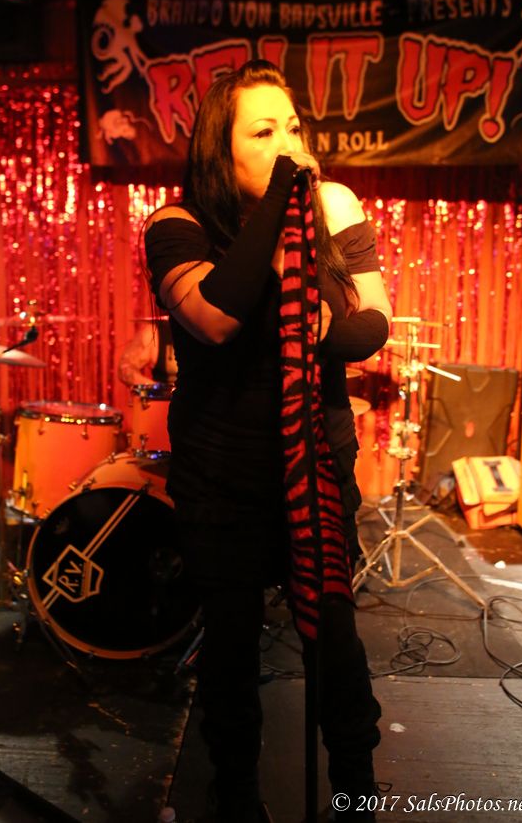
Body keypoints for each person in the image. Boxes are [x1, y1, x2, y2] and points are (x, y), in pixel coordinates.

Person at [143, 61, 392, 823]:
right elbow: (216, 315)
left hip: (316, 459)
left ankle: (356, 795)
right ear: (221, 153)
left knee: (335, 643)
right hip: (223, 474)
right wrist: (284, 200)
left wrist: (322, 325)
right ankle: (238, 798)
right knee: (231, 648)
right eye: (263, 132)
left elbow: (374, 322)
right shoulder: (176, 225)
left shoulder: (335, 204)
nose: (288, 142)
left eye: (292, 126)